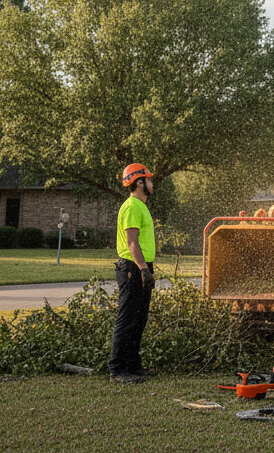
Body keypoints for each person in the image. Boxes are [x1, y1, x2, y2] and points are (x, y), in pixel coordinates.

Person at [108, 163, 157, 383]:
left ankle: (132, 365)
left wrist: (146, 269)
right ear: (139, 182)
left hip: (141, 267)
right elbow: (132, 242)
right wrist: (143, 269)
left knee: (139, 318)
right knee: (127, 319)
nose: (151, 183)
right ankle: (118, 370)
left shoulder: (141, 206)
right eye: (148, 179)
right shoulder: (131, 207)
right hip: (132, 268)